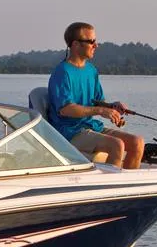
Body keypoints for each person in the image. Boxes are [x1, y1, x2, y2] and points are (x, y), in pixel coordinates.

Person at [47, 22, 144, 169]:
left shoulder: (91, 70)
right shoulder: (62, 72)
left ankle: (128, 187)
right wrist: (100, 111)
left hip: (90, 127)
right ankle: (110, 189)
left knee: (137, 142)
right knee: (116, 145)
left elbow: (98, 102)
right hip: (69, 133)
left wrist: (112, 107)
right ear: (75, 44)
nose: (96, 45)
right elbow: (66, 109)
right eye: (91, 41)